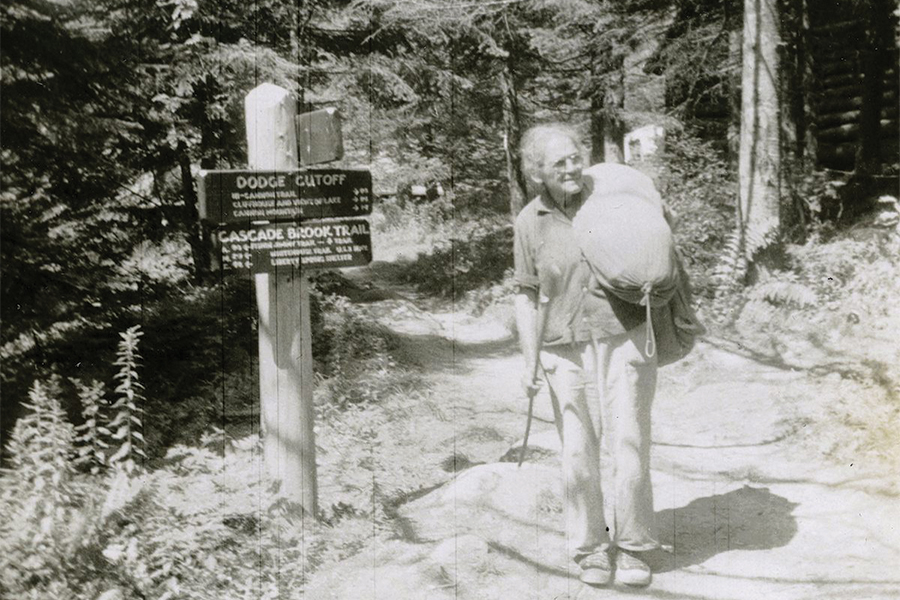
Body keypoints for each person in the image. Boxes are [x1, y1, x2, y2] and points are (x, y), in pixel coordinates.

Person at [513, 123, 660, 587]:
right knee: (578, 450)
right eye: (559, 163)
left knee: (629, 440)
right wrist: (529, 359)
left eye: (575, 156)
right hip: (562, 343)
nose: (573, 167)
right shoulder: (528, 222)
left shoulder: (610, 202)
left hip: (623, 334)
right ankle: (591, 550)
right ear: (538, 173)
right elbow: (525, 293)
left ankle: (634, 548)